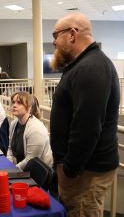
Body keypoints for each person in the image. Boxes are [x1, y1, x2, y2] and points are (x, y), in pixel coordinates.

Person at [50, 12, 119, 216]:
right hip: (81, 171)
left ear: (72, 34)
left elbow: (87, 128)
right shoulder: (82, 65)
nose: (54, 42)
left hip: (85, 174)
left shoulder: (92, 67)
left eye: (56, 36)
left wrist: (69, 170)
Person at [6, 92, 53, 170]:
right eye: (13, 102)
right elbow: (10, 149)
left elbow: (30, 160)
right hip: (20, 169)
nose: (14, 105)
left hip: (35, 174)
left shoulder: (36, 129)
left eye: (19, 103)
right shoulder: (14, 124)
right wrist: (8, 164)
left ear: (29, 108)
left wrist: (11, 170)